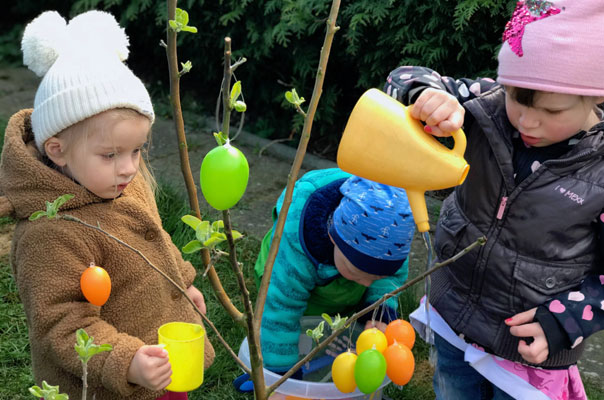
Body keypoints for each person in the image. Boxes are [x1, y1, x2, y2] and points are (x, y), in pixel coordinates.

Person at [383, 1, 604, 399]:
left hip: (528, 351)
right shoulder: (486, 104)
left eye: (552, 110)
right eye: (518, 99)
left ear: (594, 97)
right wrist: (427, 95)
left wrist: (565, 322)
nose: (526, 122)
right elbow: (401, 78)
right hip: (453, 318)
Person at [0, 10, 214, 399]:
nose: (130, 167)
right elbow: (61, 326)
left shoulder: (119, 185)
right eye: (111, 154)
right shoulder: (50, 234)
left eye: (137, 150)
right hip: (108, 384)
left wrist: (181, 285)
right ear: (57, 150)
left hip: (160, 363)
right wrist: (127, 361)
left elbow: (155, 240)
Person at [233, 168, 415, 391]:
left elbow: (392, 276)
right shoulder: (297, 245)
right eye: (358, 273)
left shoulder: (392, 237)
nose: (366, 284)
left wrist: (380, 308)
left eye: (376, 276)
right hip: (283, 273)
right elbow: (281, 307)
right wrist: (279, 377)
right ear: (333, 237)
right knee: (288, 317)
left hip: (336, 271)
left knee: (346, 302)